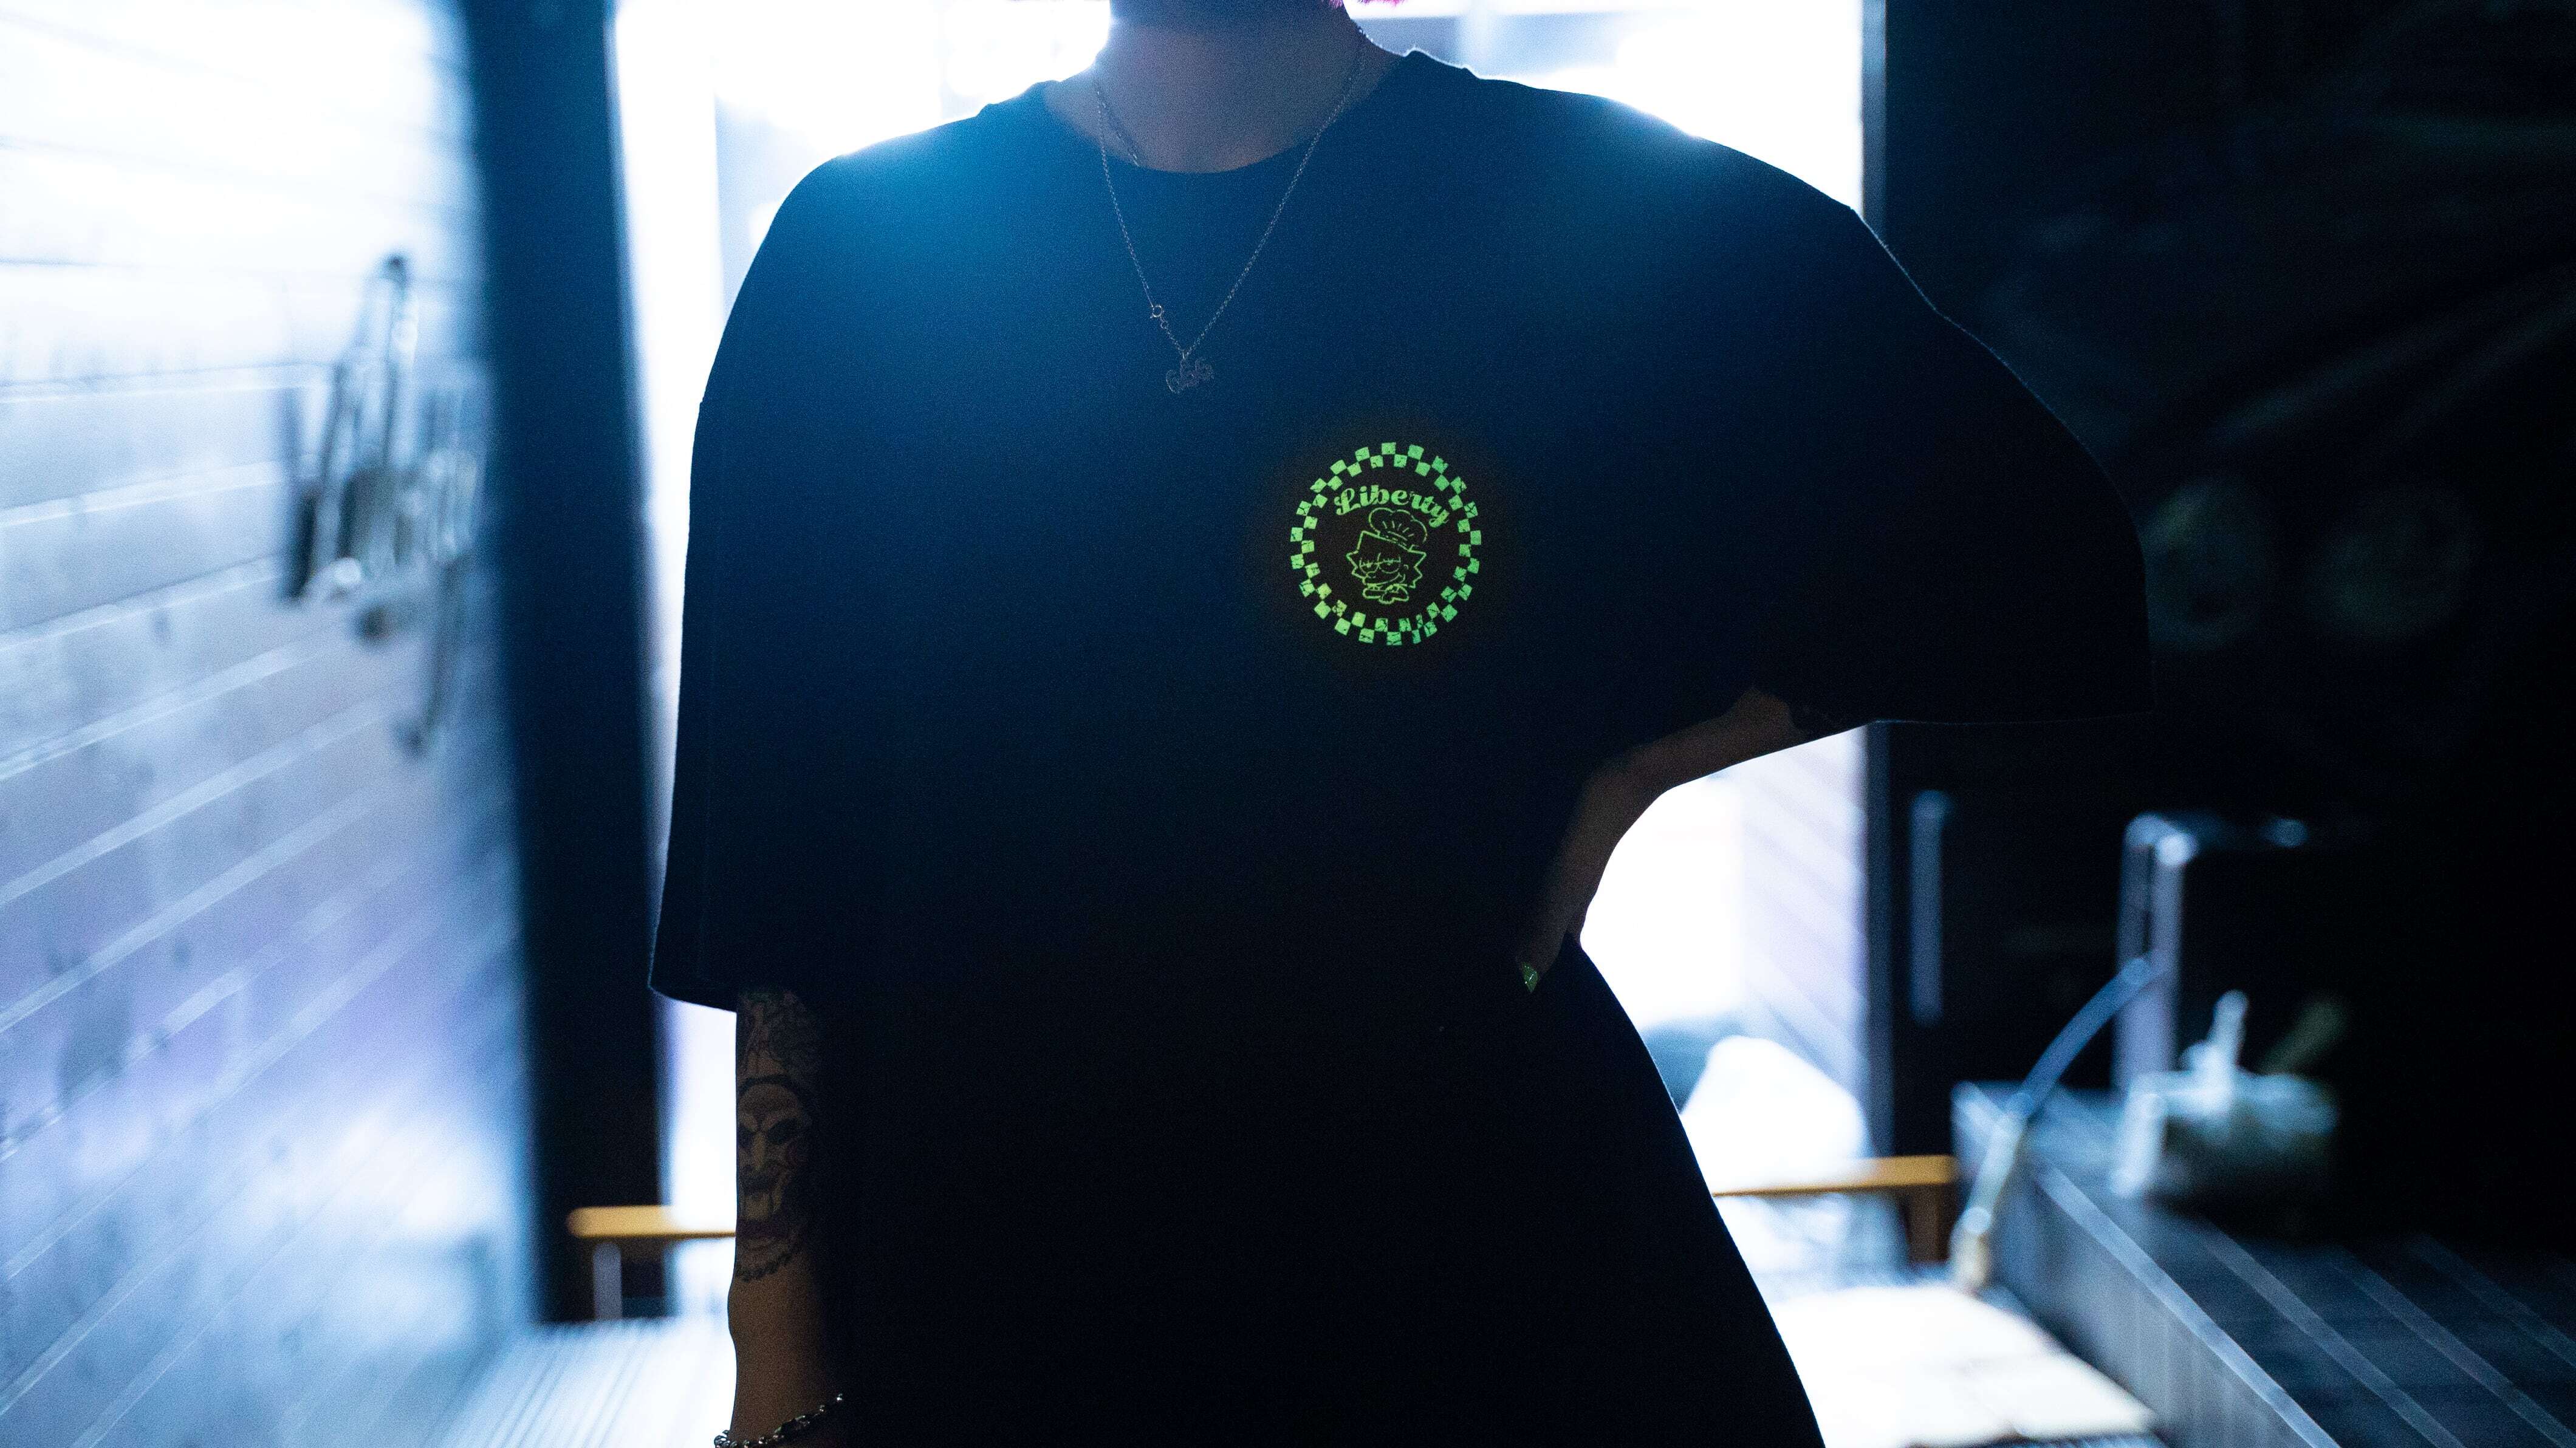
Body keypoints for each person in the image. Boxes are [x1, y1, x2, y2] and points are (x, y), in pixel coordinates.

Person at [652, 1, 2154, 1442]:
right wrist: (774, 1350)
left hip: (1463, 1247)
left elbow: (2039, 562)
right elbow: (783, 852)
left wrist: (1634, 770)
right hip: (996, 1272)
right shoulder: (864, 254)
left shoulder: (1586, 205)